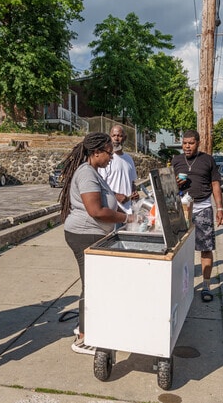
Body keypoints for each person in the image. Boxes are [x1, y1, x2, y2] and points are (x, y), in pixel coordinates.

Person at [59, 132, 135, 355]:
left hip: (91, 233)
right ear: (96, 153)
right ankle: (84, 337)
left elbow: (104, 201)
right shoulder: (86, 174)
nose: (111, 158)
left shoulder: (93, 171)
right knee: (91, 286)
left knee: (93, 284)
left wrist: (121, 198)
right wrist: (128, 218)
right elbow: (96, 211)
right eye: (109, 153)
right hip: (84, 234)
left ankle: (86, 327)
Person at [171, 130, 223, 303]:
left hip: (203, 207)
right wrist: (176, 183)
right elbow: (169, 185)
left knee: (205, 248)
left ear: (198, 143)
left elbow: (215, 184)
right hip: (181, 210)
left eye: (191, 143)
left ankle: (206, 285)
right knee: (177, 250)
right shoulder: (176, 160)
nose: (187, 146)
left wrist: (220, 208)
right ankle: (181, 286)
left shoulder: (207, 160)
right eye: (185, 143)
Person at [97, 125, 139, 214]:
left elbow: (132, 182)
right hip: (112, 211)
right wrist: (115, 196)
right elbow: (100, 186)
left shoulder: (129, 159)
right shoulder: (105, 159)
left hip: (128, 211)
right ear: (110, 137)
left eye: (119, 136)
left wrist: (134, 192)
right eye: (113, 136)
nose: (116, 139)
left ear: (125, 138)